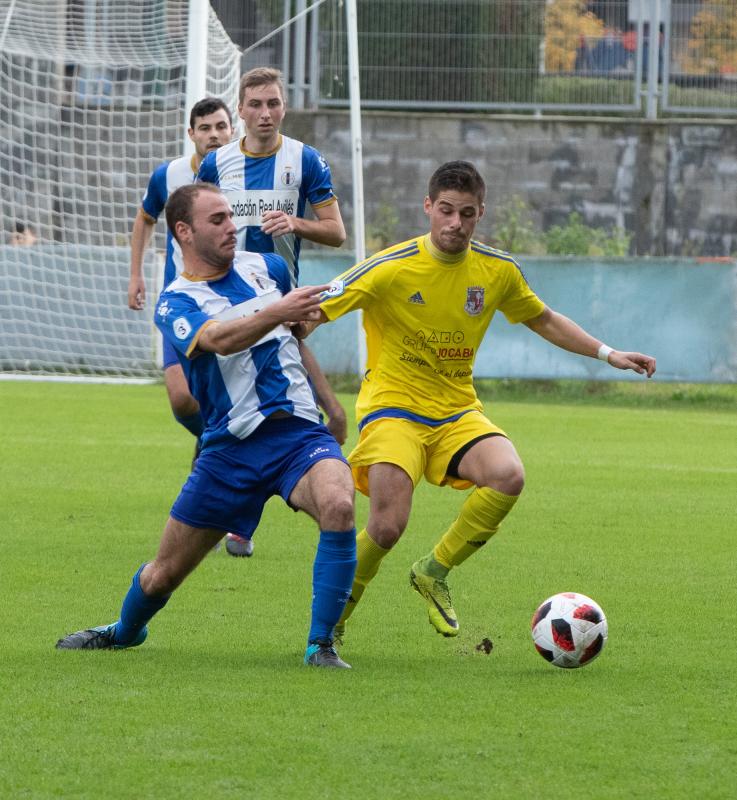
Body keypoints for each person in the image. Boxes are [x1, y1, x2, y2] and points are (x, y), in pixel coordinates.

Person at [307, 160, 656, 647]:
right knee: (386, 526)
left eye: (466, 214)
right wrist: (285, 323)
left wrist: (607, 353)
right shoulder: (390, 266)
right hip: (393, 410)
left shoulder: (497, 271)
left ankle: (433, 571)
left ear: (480, 214)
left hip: (455, 410)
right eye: (446, 211)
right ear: (428, 207)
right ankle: (335, 615)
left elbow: (545, 319)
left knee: (508, 474)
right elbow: (319, 308)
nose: (455, 223)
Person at [56, 183, 357, 668]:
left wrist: (329, 400)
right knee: (162, 576)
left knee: (339, 504)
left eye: (230, 216)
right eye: (216, 219)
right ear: (183, 231)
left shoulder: (269, 268)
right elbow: (217, 339)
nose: (231, 225)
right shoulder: (175, 302)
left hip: (297, 434)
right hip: (228, 451)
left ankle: (321, 645)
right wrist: (279, 309)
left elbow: (295, 335)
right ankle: (125, 630)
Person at [197, 67, 348, 557]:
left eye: (274, 104)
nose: (265, 113)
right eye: (256, 104)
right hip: (226, 302)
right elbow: (195, 229)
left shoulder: (305, 159)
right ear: (239, 109)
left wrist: (297, 222)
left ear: (285, 107)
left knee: (279, 411)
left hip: (281, 304)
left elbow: (336, 231)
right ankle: (237, 508)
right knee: (243, 411)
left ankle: (241, 511)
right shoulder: (216, 165)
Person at [128, 97, 248, 553]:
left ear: (230, 129)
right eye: (205, 127)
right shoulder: (170, 175)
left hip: (229, 304)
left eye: (221, 126)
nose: (214, 134)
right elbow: (144, 219)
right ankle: (224, 449)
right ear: (191, 134)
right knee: (182, 400)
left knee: (232, 398)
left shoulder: (239, 175)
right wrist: (137, 273)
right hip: (181, 306)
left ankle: (230, 484)